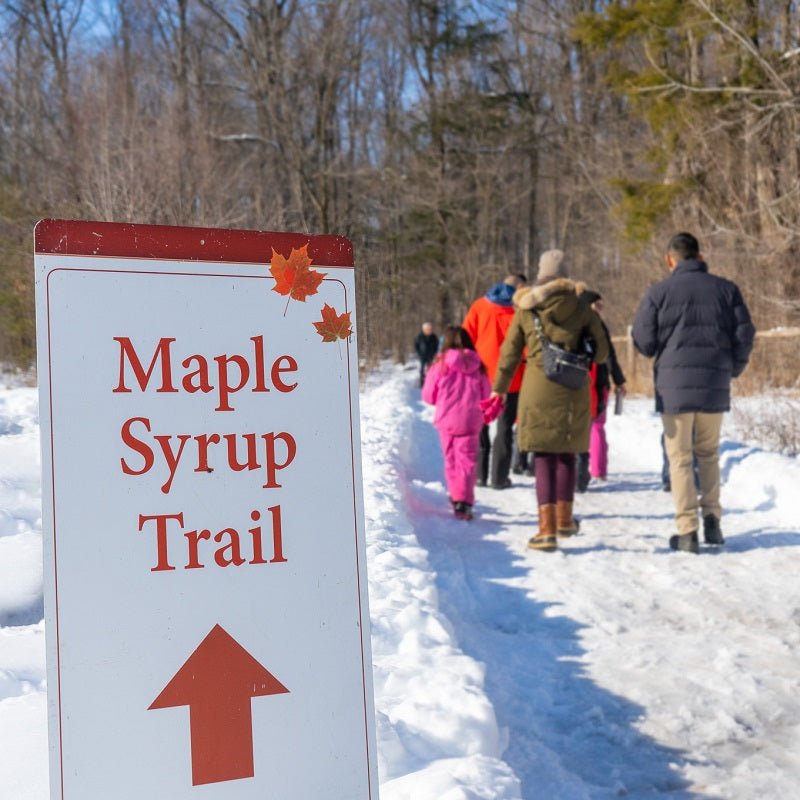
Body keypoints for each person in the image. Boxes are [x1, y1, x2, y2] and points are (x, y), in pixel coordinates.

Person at [632, 232, 754, 553]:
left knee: (680, 459)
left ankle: (688, 530)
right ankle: (713, 519)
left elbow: (643, 342)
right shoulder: (727, 291)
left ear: (669, 259)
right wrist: (732, 369)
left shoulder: (658, 293)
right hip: (714, 385)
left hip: (674, 391)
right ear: (700, 257)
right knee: (709, 454)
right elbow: (745, 335)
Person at [491, 250, 609, 551]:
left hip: (537, 386)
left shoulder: (526, 308)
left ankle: (546, 531)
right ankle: (565, 520)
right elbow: (603, 352)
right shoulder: (583, 307)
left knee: (543, 456)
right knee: (567, 454)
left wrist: (499, 389)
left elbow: (509, 354)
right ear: (565, 274)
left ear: (541, 274)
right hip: (574, 386)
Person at [463, 273, 527, 489]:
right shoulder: (520, 310)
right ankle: (499, 478)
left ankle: (480, 476)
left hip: (481, 376)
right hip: (512, 377)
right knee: (505, 427)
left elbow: (466, 339)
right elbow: (526, 345)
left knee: (480, 425)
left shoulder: (479, 306)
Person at [422, 325, 491, 521]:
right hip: (471, 420)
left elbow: (428, 396)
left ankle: (456, 495)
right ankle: (464, 501)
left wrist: (443, 400)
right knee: (467, 462)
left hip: (447, 419)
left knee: (451, 460)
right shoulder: (479, 366)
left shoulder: (440, 364)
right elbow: (486, 395)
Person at [575, 290, 626, 492]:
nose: (601, 310)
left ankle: (584, 471)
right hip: (599, 380)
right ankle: (598, 470)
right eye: (598, 305)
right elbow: (610, 355)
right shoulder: (598, 325)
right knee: (597, 425)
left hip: (579, 380)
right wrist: (619, 379)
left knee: (585, 426)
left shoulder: (573, 324)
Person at [414, 322, 439, 387]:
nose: (429, 330)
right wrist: (419, 353)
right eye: (427, 329)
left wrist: (435, 353)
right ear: (424, 329)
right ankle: (422, 382)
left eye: (430, 329)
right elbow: (416, 345)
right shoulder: (419, 336)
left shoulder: (434, 336)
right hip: (422, 355)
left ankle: (430, 382)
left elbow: (437, 345)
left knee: (431, 369)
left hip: (431, 356)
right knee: (422, 369)